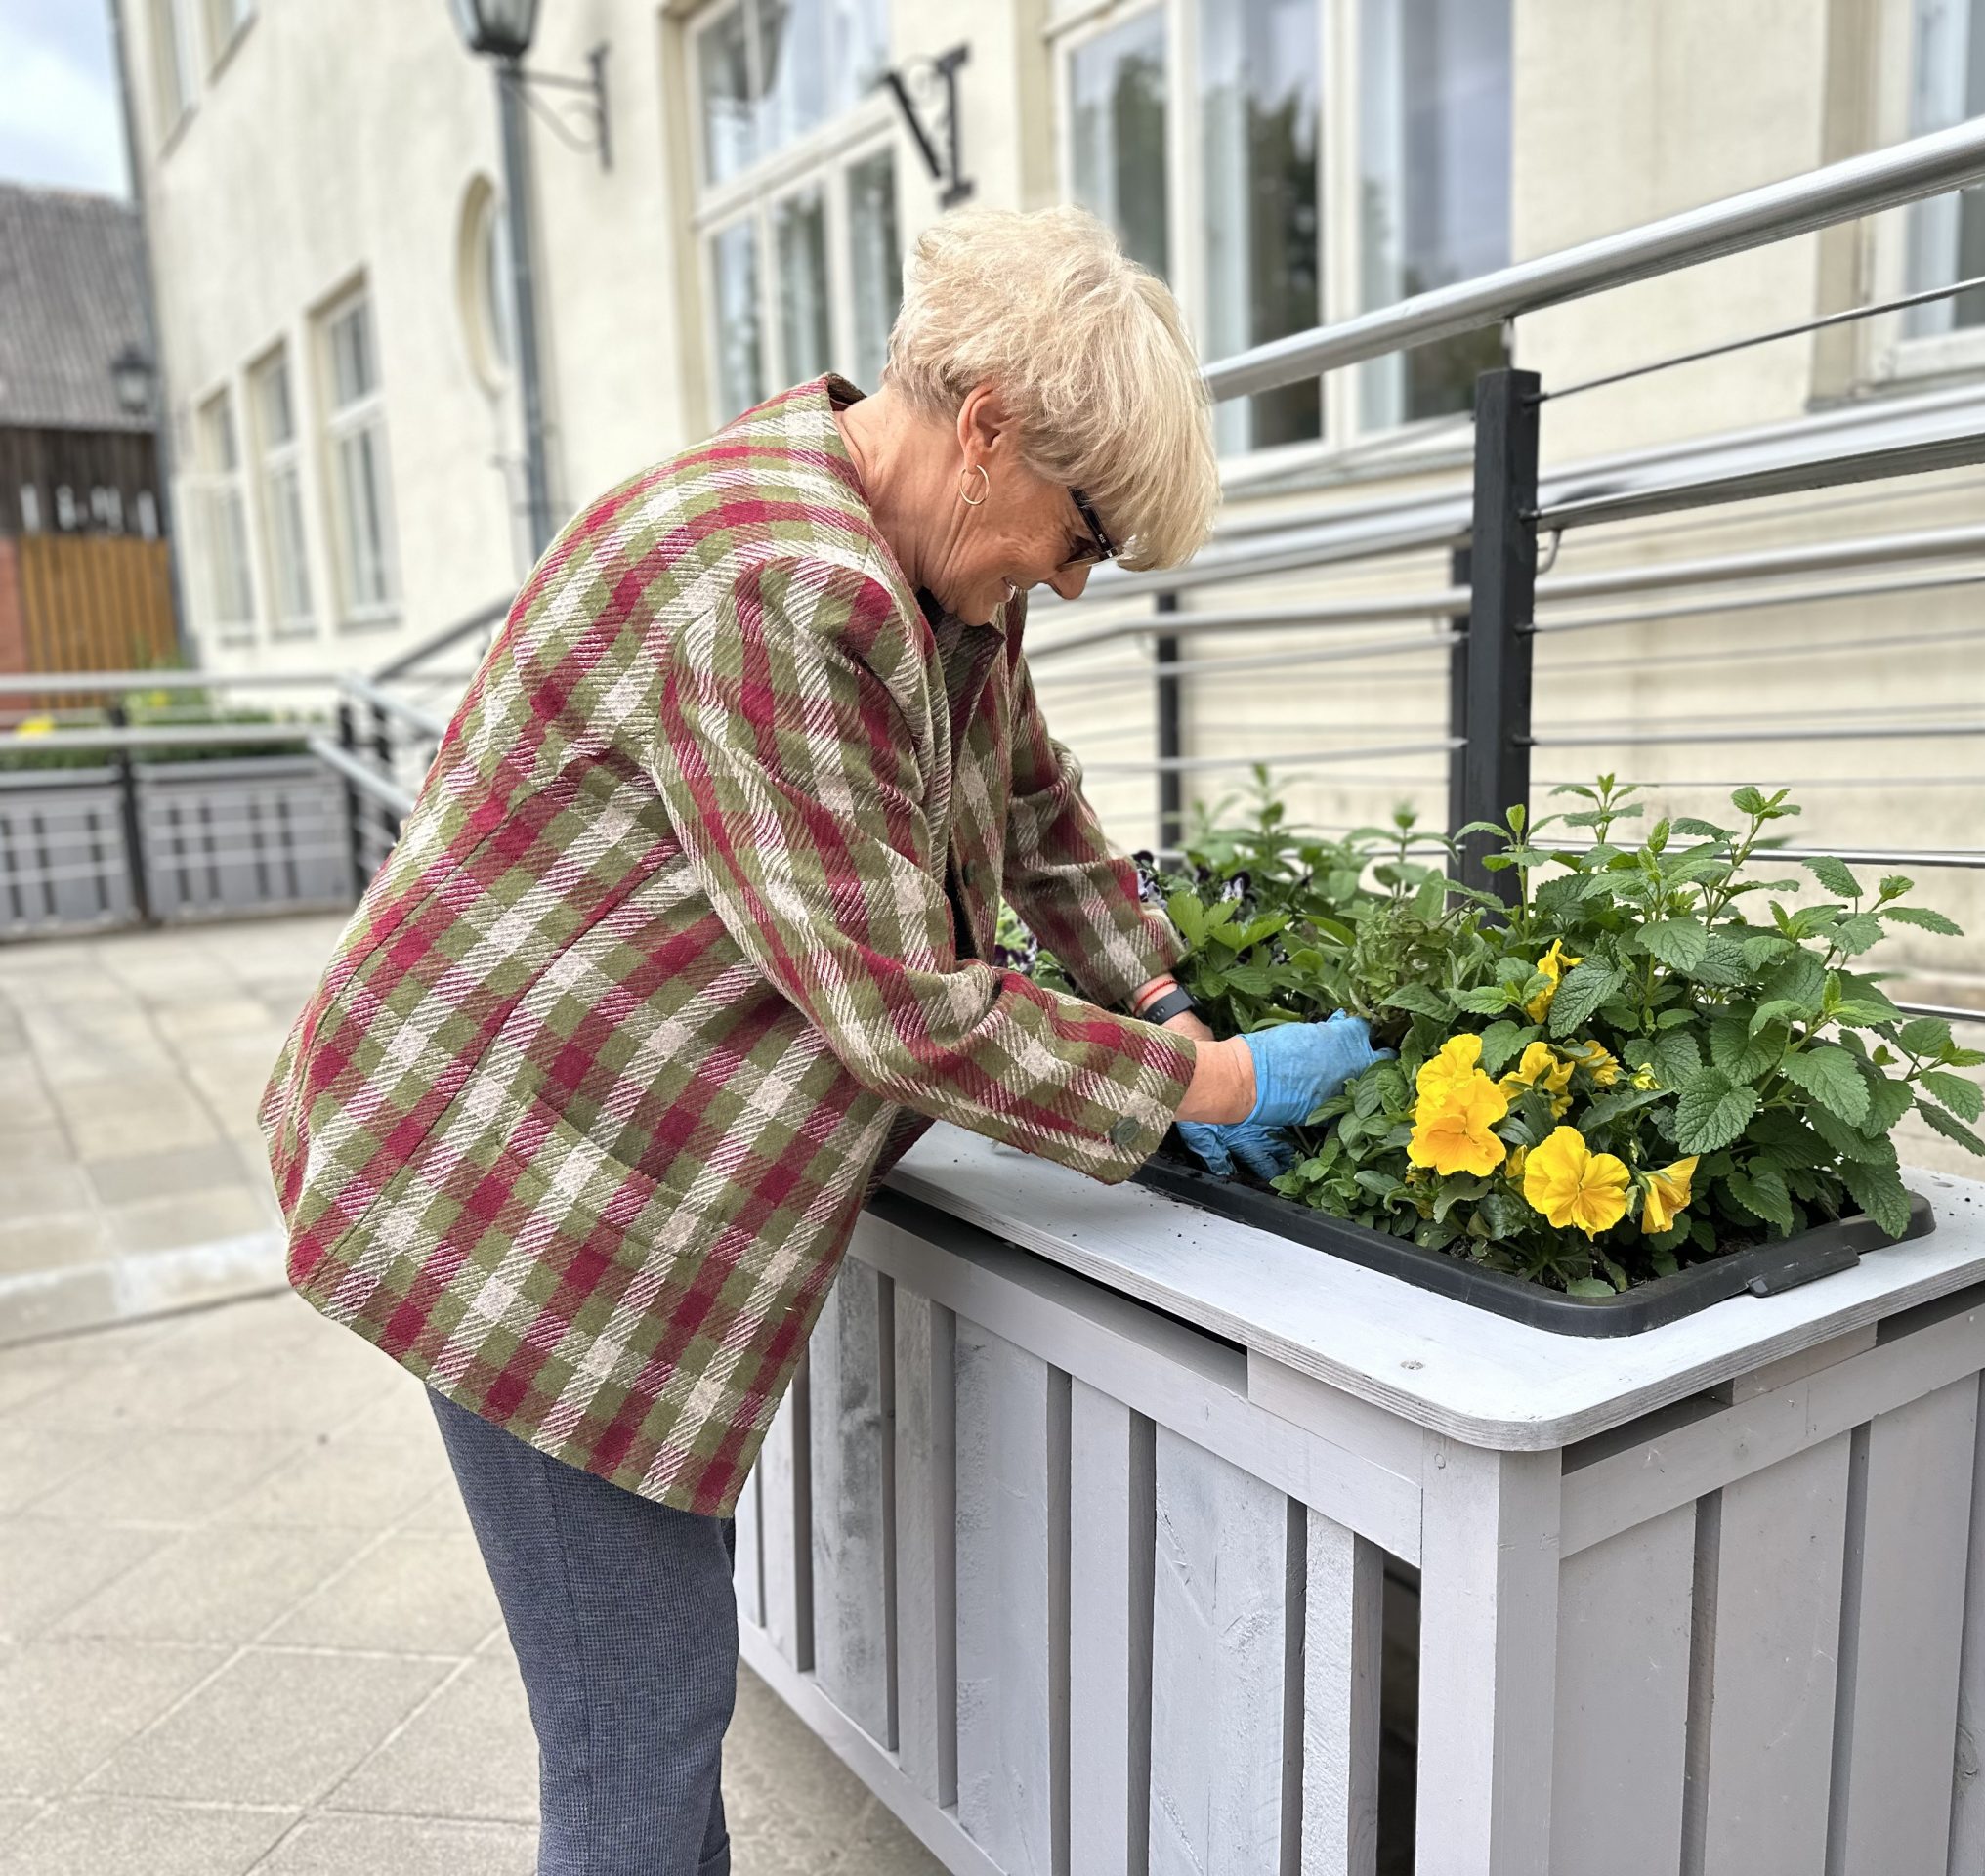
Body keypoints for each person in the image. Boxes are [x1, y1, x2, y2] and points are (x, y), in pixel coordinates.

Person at [258, 205, 1378, 1876]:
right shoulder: (779, 587)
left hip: (595, 1169)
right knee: (633, 1746)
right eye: (1082, 539)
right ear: (988, 426)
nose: (1074, 583)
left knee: (650, 1709)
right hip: (515, 1198)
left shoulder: (936, 570)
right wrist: (1210, 1086)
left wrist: (1161, 1002)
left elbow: (1038, 812)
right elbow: (903, 1012)